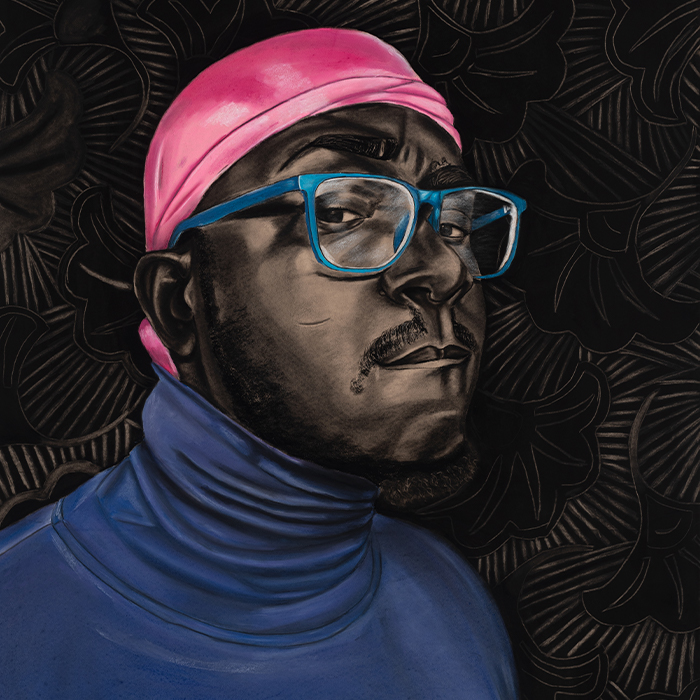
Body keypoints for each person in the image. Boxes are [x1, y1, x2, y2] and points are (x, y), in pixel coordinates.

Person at [0, 28, 524, 699]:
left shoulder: (450, 602)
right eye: (342, 213)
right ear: (180, 301)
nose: (446, 270)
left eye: (451, 225)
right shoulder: (17, 615)